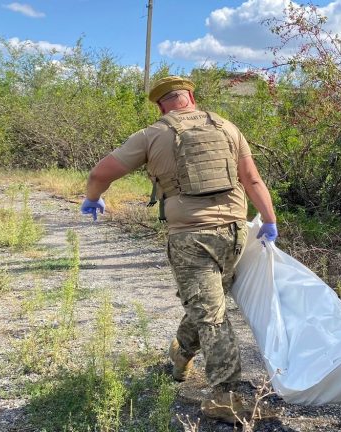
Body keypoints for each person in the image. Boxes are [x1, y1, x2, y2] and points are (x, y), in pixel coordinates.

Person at [80, 76, 278, 424]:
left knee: (211, 315)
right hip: (234, 233)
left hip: (191, 236)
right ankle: (181, 355)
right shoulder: (227, 127)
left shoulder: (152, 135)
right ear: (192, 97)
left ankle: (225, 397)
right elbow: (253, 179)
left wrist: (92, 198)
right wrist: (268, 219)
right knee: (207, 304)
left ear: (160, 105)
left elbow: (101, 172)